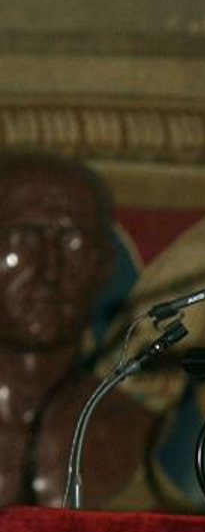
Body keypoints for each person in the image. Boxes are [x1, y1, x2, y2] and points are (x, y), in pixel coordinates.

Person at [0, 152, 153, 507]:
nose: (50, 270)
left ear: (104, 265)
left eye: (74, 241)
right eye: (22, 238)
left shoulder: (141, 436)